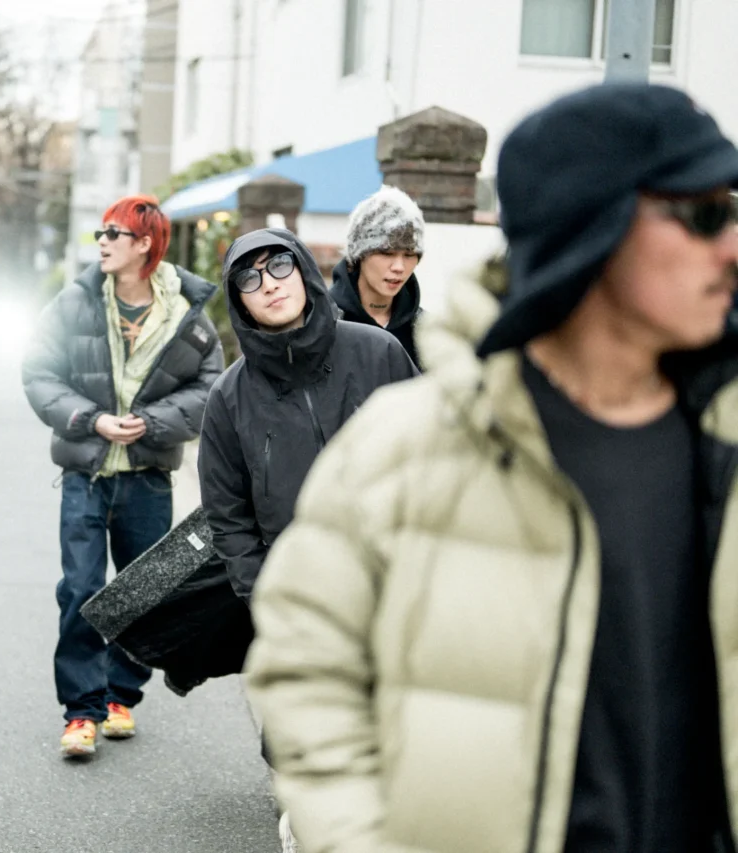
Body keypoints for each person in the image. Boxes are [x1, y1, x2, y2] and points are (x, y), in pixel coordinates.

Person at [246, 83, 738, 852]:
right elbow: (305, 674)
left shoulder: (725, 442)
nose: (732, 246)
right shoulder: (404, 449)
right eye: (705, 216)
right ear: (590, 227)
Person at [22, 194, 223, 758]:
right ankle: (80, 710)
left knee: (142, 592)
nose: (103, 242)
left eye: (115, 233)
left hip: (148, 476)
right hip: (85, 474)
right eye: (102, 232)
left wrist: (152, 423)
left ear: (145, 244)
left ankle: (120, 696)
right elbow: (39, 373)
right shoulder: (76, 302)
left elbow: (211, 387)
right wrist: (92, 420)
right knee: (81, 590)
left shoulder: (186, 314)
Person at [199, 227, 416, 604]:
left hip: (396, 578)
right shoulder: (229, 397)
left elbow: (433, 456)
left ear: (304, 272)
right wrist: (265, 596)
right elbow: (227, 517)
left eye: (280, 265)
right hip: (301, 597)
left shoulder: (379, 352)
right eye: (249, 279)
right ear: (239, 302)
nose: (269, 285)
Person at [329, 186, 426, 367]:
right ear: (359, 255)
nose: (399, 267)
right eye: (387, 253)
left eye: (409, 254)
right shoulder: (323, 324)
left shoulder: (426, 333)